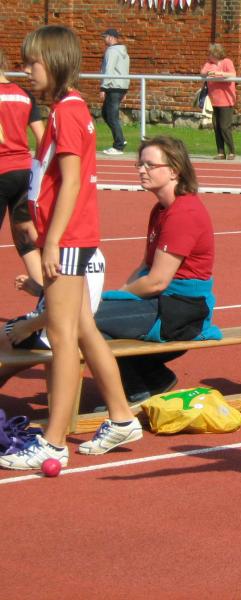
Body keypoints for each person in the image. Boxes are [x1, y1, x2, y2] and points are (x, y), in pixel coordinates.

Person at [0, 25, 141, 471]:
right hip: (69, 237)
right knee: (82, 329)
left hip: (69, 240)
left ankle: (54, 440)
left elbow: (73, 182)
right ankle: (121, 416)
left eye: (33, 63)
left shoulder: (67, 112)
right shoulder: (66, 109)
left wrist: (53, 242)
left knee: (61, 338)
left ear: (56, 63)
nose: (26, 71)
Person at [92, 136, 221, 404]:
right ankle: (150, 379)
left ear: (174, 170)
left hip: (181, 311)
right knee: (93, 320)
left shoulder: (183, 213)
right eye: (140, 164)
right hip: (163, 303)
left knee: (86, 322)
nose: (142, 170)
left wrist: (113, 297)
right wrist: (117, 298)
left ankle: (136, 389)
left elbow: (156, 282)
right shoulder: (161, 209)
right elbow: (145, 266)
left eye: (150, 165)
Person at [0, 250, 105, 386]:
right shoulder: (96, 255)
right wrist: (38, 289)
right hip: (76, 327)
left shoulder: (65, 254)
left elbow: (63, 309)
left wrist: (27, 327)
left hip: (51, 330)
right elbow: (70, 293)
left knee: (4, 336)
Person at [0, 47, 45, 284]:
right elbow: (41, 137)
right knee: (24, 233)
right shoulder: (24, 95)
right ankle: (44, 289)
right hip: (24, 170)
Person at [201, 43, 237, 160]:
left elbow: (233, 75)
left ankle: (231, 151)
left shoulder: (227, 62)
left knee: (224, 127)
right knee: (216, 126)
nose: (209, 55)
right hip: (213, 101)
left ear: (216, 54)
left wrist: (220, 74)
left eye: (210, 53)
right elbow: (202, 73)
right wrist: (208, 73)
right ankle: (221, 152)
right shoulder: (208, 64)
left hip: (226, 100)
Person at [99, 28, 130, 155]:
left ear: (111, 37)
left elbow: (109, 70)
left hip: (112, 87)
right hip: (120, 87)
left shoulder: (111, 51)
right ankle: (120, 139)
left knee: (111, 116)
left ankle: (119, 145)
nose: (104, 40)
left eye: (105, 37)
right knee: (106, 114)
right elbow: (125, 71)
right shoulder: (124, 52)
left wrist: (103, 88)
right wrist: (125, 89)